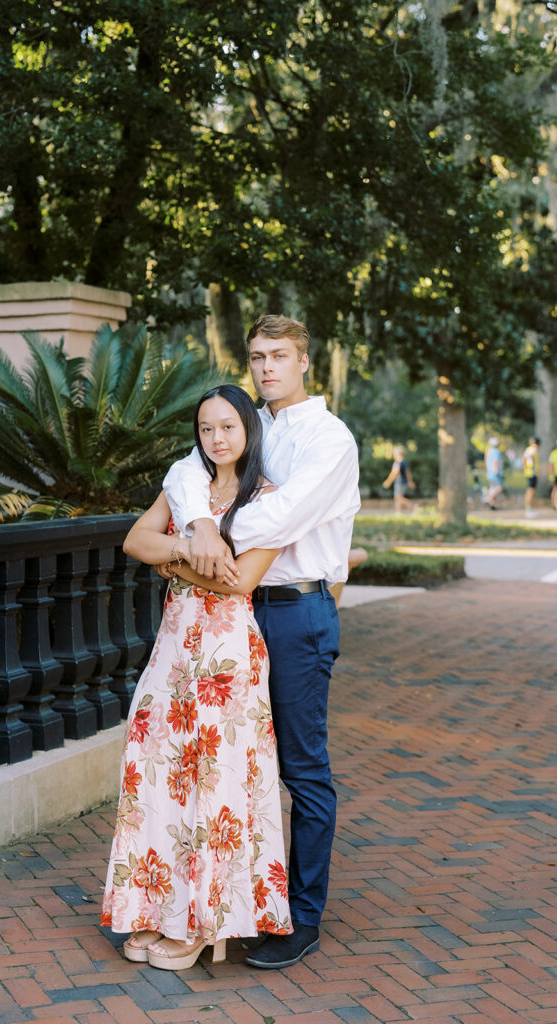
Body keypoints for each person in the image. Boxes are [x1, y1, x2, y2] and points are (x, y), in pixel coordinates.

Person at [163, 314, 360, 969]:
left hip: (297, 614)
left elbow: (281, 514)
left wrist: (206, 535)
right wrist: (196, 520)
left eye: (278, 355)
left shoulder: (328, 439)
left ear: (305, 361)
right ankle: (245, 901)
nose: (266, 367)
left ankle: (299, 919)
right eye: (256, 356)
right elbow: (185, 470)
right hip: (235, 613)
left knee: (302, 771)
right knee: (234, 766)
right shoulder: (250, 424)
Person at [100, 384, 292, 971]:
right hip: (174, 647)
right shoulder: (186, 485)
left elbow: (239, 582)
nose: (216, 438)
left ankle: (203, 923)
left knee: (214, 780)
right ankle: (158, 907)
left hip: (228, 653)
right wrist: (190, 543)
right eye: (206, 429)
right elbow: (135, 539)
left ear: (247, 430)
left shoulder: (270, 497)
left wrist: (173, 559)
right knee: (157, 769)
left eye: (228, 426)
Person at [382, 445, 415, 513]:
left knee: (398, 498)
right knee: (398, 498)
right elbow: (408, 473)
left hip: (400, 482)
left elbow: (395, 473)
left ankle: (413, 506)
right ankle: (398, 512)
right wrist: (410, 481)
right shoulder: (404, 462)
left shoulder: (398, 463)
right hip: (403, 482)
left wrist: (388, 481)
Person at [522, 436, 540, 518]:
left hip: (529, 472)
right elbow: (526, 459)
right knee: (531, 491)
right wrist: (530, 468)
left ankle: (529, 508)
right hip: (532, 473)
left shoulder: (529, 449)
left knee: (530, 490)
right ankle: (528, 509)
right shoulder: (532, 450)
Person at [484, 437, 504, 510]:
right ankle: (488, 498)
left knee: (492, 488)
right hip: (495, 473)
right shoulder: (496, 452)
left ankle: (492, 505)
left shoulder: (488, 452)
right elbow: (495, 462)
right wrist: (496, 471)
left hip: (489, 473)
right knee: (499, 488)